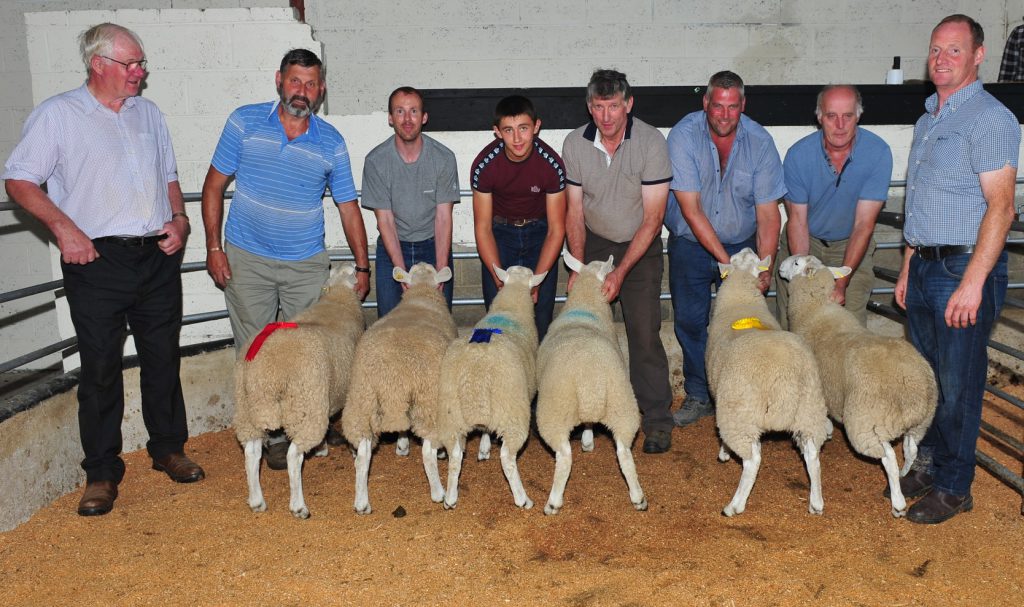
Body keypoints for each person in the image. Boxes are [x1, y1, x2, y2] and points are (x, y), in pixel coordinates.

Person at [3, 23, 205, 516]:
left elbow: (170, 177)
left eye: (141, 64)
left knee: (162, 356)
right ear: (98, 64)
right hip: (97, 259)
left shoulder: (149, 114)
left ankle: (168, 449)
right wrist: (65, 229)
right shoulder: (59, 115)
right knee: (99, 367)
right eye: (131, 64)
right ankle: (100, 472)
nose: (141, 72)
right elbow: (20, 180)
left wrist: (180, 221)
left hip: (156, 254)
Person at [201, 48, 370, 469]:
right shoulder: (244, 121)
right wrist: (213, 248)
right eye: (295, 81)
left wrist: (362, 265)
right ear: (279, 80)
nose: (302, 91)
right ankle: (262, 433)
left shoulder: (331, 141)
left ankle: (301, 430)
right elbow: (213, 186)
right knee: (254, 348)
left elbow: (348, 207)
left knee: (305, 352)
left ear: (322, 90)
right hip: (247, 258)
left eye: (311, 84)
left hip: (305, 264)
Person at [894, 14, 1019, 524]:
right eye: (936, 50)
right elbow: (919, 204)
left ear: (977, 55)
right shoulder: (928, 121)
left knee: (958, 384)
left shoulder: (991, 119)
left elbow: (1002, 207)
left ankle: (954, 484)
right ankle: (929, 463)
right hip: (924, 267)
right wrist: (905, 266)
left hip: (962, 269)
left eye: (954, 50)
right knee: (928, 381)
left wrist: (973, 283)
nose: (942, 59)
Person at [561, 69, 674, 454]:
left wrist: (622, 272)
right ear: (589, 107)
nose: (607, 116)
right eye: (598, 106)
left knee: (643, 333)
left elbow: (654, 218)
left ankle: (657, 419)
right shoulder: (575, 144)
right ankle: (587, 414)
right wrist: (578, 266)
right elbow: (573, 211)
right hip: (593, 243)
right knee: (588, 332)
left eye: (614, 106)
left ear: (628, 104)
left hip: (638, 246)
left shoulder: (651, 142)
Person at [665, 70, 785, 428]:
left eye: (733, 107)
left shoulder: (760, 142)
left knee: (743, 322)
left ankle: (741, 392)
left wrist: (763, 267)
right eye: (718, 105)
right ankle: (700, 393)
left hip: (743, 244)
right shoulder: (683, 136)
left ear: (742, 105)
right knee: (690, 320)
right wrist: (725, 263)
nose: (724, 114)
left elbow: (768, 215)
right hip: (691, 244)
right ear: (705, 103)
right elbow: (690, 208)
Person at [775, 85, 893, 329]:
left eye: (847, 116)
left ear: (858, 116)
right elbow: (798, 221)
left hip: (851, 243)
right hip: (807, 240)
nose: (840, 125)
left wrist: (841, 282)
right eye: (831, 116)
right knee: (796, 321)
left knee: (848, 326)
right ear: (819, 117)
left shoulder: (877, 153)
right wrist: (802, 275)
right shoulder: (798, 155)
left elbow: (864, 224)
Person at [471, 95, 567, 339]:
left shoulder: (552, 164)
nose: (517, 138)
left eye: (523, 128)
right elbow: (482, 228)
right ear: (497, 132)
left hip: (539, 235)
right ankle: (492, 371)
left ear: (536, 127)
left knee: (540, 316)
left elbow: (557, 230)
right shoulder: (484, 165)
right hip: (500, 234)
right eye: (508, 130)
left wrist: (536, 281)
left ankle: (536, 372)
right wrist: (498, 276)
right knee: (495, 315)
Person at [362, 86, 459, 317]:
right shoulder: (376, 161)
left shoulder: (443, 158)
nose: (407, 119)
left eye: (414, 111)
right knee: (390, 322)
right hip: (394, 246)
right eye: (400, 111)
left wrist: (441, 269)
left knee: (437, 321)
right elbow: (384, 220)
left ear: (424, 117)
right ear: (390, 118)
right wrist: (400, 271)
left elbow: (444, 218)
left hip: (433, 244)